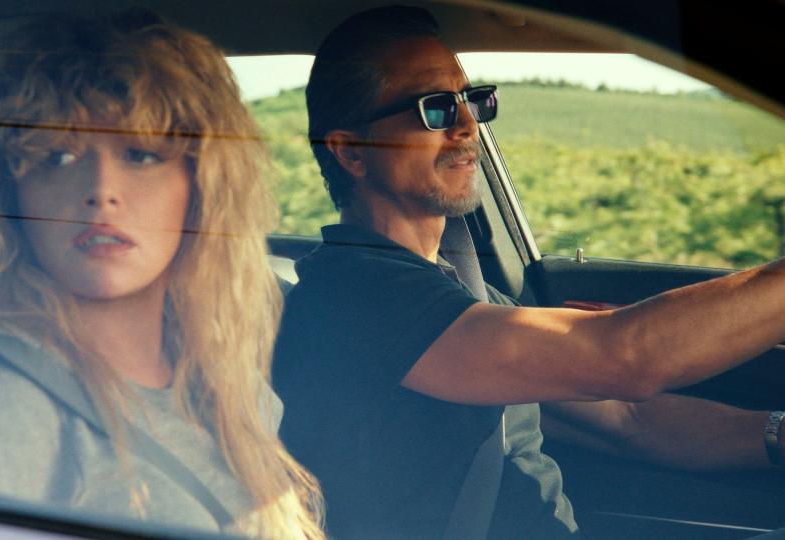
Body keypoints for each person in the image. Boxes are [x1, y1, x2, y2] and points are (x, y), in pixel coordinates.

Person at [271, 6, 785, 539]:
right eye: (436, 109)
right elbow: (625, 357)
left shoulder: (462, 292)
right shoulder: (356, 297)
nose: (469, 125)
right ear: (351, 152)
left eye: (471, 100)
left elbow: (630, 423)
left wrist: (777, 434)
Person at [0, 11, 323, 539]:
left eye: (141, 154)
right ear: (6, 192)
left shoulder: (217, 372)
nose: (101, 189)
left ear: (202, 187)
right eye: (58, 155)